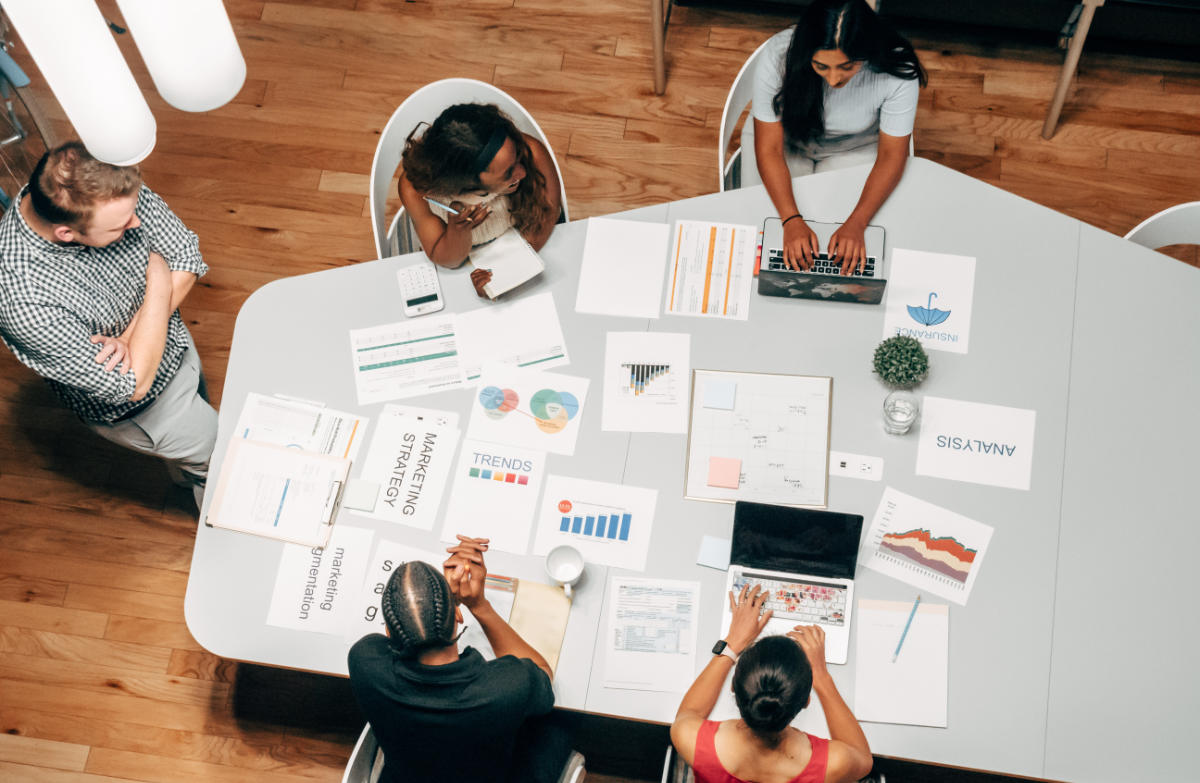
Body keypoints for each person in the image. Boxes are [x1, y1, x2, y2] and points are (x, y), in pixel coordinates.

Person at [0, 141, 215, 508]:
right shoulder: (22, 299)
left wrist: (132, 336)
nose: (136, 223)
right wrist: (159, 276)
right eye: (120, 227)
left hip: (177, 345)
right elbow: (132, 382)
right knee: (222, 464)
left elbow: (186, 256)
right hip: (148, 410)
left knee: (198, 443)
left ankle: (186, 474)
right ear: (66, 233)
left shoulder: (102, 185)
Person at [347, 535, 580, 783]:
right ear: (458, 615)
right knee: (555, 726)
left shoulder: (365, 662)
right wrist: (478, 605)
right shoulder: (507, 688)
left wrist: (440, 610)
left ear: (389, 633)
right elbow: (542, 671)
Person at [743, 0, 926, 275]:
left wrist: (857, 221)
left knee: (845, 242)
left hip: (854, 145)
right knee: (762, 233)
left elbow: (892, 154)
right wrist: (791, 219)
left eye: (847, 66)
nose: (833, 79)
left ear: (866, 53)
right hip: (787, 140)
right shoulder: (779, 55)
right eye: (821, 66)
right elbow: (768, 148)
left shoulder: (895, 70)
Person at [671, 585, 874, 783]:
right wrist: (821, 677)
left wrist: (732, 644)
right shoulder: (832, 765)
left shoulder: (690, 739)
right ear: (806, 701)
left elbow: (688, 712)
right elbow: (863, 759)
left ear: (733, 686)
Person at [398, 102, 562, 297]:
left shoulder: (532, 152)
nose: (523, 172)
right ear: (465, 187)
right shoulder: (415, 191)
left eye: (518, 156)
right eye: (508, 174)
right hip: (460, 259)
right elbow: (449, 261)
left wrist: (505, 274)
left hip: (525, 242)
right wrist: (459, 231)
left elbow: (546, 216)